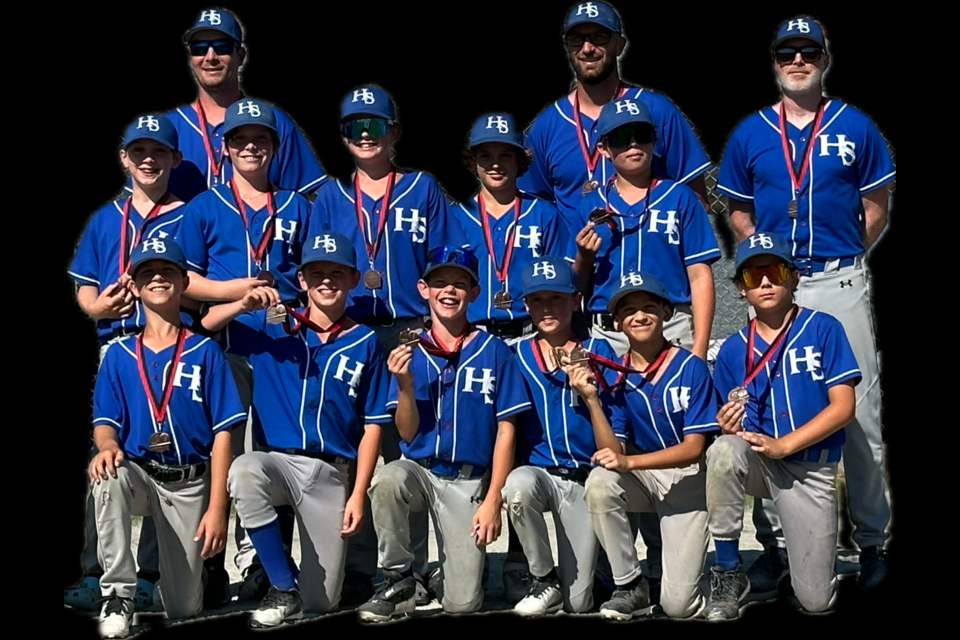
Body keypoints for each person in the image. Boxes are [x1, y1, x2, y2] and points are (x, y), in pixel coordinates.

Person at [715, 16, 895, 594]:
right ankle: (776, 543)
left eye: (808, 51)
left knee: (859, 415)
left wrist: (839, 260)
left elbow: (876, 206)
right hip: (771, 281)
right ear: (773, 61)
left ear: (824, 57)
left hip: (837, 281)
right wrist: (760, 261)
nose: (798, 60)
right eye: (787, 52)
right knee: (763, 410)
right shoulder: (750, 132)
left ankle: (871, 541)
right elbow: (737, 209)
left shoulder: (855, 125)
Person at [309, 86, 467, 602]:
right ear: (342, 137)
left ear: (394, 132)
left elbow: (445, 261)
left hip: (406, 325)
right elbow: (316, 267)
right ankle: (356, 564)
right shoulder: (330, 195)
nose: (364, 136)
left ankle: (417, 566)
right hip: (350, 329)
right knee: (351, 443)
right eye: (354, 127)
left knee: (408, 447)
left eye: (374, 125)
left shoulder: (421, 187)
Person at [200, 230, 389, 627]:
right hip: (279, 464)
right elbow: (208, 324)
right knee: (245, 469)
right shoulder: (274, 324)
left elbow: (373, 425)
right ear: (301, 280)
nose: (326, 281)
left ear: (354, 279)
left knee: (322, 602)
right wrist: (241, 303)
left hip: (333, 472)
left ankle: (301, 590)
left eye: (337, 273)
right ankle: (282, 586)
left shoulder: (365, 340)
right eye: (316, 273)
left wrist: (357, 495)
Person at [177, 95, 314, 606]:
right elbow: (186, 282)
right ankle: (213, 566)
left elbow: (312, 276)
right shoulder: (205, 207)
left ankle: (265, 563)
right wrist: (240, 289)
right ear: (226, 147)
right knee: (221, 458)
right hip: (225, 346)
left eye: (260, 139)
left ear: (274, 147)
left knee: (274, 457)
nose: (250, 147)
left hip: (280, 347)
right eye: (240, 139)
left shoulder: (297, 204)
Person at [357, 246, 531, 621]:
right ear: (423, 289)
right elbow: (405, 432)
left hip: (468, 482)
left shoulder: (495, 350)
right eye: (440, 283)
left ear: (474, 292)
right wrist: (404, 385)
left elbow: (506, 432)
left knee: (462, 604)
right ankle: (399, 577)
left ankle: (445, 575)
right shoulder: (411, 350)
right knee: (387, 478)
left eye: (459, 284)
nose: (449, 291)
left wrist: (492, 498)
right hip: (420, 470)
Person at [89, 238, 243, 637]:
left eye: (168, 271)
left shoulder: (206, 352)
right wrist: (106, 446)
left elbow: (224, 433)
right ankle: (118, 595)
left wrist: (217, 508)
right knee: (108, 476)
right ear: (135, 287)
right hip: (140, 473)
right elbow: (105, 422)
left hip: (189, 482)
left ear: (184, 281)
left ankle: (186, 579)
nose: (158, 278)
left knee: (183, 608)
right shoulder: (119, 354)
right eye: (147, 273)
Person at [66, 114, 188, 614]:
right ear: (124, 158)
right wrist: (96, 308)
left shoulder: (192, 214)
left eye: (159, 151)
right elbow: (85, 288)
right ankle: (97, 572)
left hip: (172, 347)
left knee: (168, 458)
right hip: (118, 346)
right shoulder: (105, 218)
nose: (148, 159)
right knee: (108, 455)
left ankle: (152, 573)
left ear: (175, 160)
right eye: (139, 151)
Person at [705, 232, 860, 619]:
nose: (765, 283)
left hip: (810, 467)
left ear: (793, 277)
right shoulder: (732, 349)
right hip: (761, 461)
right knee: (722, 451)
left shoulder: (824, 327)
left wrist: (784, 445)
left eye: (773, 271)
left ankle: (800, 570)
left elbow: (843, 409)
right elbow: (731, 424)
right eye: (752, 277)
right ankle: (727, 569)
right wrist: (727, 425)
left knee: (816, 601)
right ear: (740, 289)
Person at [578, 271, 717, 620]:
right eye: (629, 311)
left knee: (678, 607)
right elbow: (615, 453)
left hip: (686, 479)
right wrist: (593, 399)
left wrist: (629, 465)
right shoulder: (617, 374)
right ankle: (629, 584)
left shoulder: (691, 366)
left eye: (649, 307)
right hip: (645, 477)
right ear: (617, 323)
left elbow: (694, 449)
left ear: (667, 312)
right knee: (599, 481)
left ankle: (715, 576)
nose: (639, 316)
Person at [519, 1, 711, 235]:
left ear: (619, 44)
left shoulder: (656, 110)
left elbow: (696, 198)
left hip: (651, 260)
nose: (587, 48)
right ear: (567, 48)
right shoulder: (547, 125)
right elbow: (531, 209)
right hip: (578, 263)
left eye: (599, 37)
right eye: (576, 39)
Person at [504, 257, 617, 616]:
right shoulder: (515, 354)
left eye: (556, 297)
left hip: (585, 479)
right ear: (526, 305)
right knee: (517, 486)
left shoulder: (600, 351)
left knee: (580, 603)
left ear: (575, 299)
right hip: (537, 474)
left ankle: (594, 572)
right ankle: (542, 576)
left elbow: (616, 434)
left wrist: (590, 396)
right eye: (537, 300)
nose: (547, 307)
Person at [573, 98, 719, 360]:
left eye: (641, 135)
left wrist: (699, 348)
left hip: (670, 325)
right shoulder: (589, 206)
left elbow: (700, 276)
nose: (632, 144)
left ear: (654, 140)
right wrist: (584, 257)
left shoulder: (680, 197)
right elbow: (578, 288)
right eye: (620, 137)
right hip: (609, 333)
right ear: (603, 148)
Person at [161, 8, 325, 201]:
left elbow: (315, 199)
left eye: (222, 47)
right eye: (200, 48)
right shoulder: (166, 128)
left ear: (240, 55)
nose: (210, 57)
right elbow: (139, 204)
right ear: (191, 58)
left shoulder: (274, 121)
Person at [453, 113, 572, 343]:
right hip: (474, 334)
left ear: (519, 159)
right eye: (486, 156)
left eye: (505, 155)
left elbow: (562, 280)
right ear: (473, 160)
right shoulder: (457, 216)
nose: (495, 164)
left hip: (533, 334)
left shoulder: (543, 213)